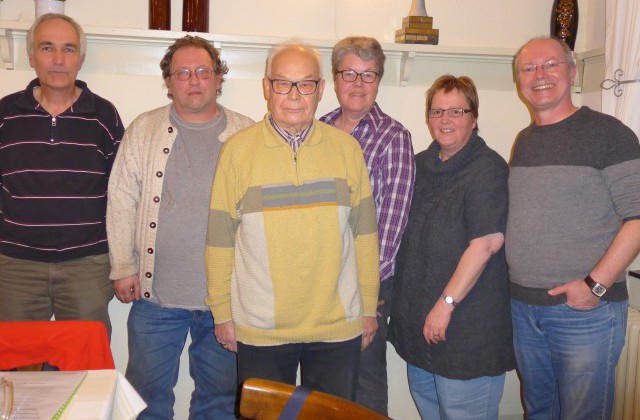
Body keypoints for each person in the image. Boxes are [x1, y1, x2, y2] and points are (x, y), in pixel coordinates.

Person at [205, 42, 380, 401]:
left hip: (335, 328)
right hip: (261, 329)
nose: (295, 95)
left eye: (306, 84)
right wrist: (222, 313)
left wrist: (367, 308)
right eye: (283, 83)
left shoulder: (347, 150)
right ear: (267, 88)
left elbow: (365, 236)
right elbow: (220, 239)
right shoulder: (237, 151)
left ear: (320, 90)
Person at [106, 35, 253, 419]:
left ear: (219, 78)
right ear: (169, 82)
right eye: (182, 73)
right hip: (156, 299)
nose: (193, 80)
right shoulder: (144, 129)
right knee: (146, 400)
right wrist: (122, 266)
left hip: (225, 303)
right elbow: (121, 198)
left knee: (220, 401)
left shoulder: (248, 133)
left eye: (203, 71)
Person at [507, 37, 640, 419]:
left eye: (550, 65)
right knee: (540, 411)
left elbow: (637, 217)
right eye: (528, 69)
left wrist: (594, 285)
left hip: (585, 312)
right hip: (524, 308)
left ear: (572, 71)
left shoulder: (609, 134)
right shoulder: (525, 141)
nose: (539, 76)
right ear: (519, 80)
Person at [390, 75, 515, 419]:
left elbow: (487, 244)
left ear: (474, 118)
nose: (445, 120)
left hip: (465, 330)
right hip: (421, 330)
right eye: (437, 111)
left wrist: (445, 305)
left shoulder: (487, 168)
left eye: (456, 111)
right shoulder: (419, 165)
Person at [0, 14, 123, 336]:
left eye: (68, 49)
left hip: (87, 266)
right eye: (46, 47)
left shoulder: (104, 115)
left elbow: (122, 193)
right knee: (17, 372)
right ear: (31, 56)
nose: (57, 59)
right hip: (16, 267)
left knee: (87, 368)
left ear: (80, 58)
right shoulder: (5, 114)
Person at [320, 36, 415, 415]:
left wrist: (365, 295)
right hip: (320, 281)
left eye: (368, 75)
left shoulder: (394, 137)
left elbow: (391, 226)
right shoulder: (317, 129)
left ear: (378, 81)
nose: (358, 84)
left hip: (366, 284)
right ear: (336, 77)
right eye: (350, 74)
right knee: (325, 382)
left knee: (365, 383)